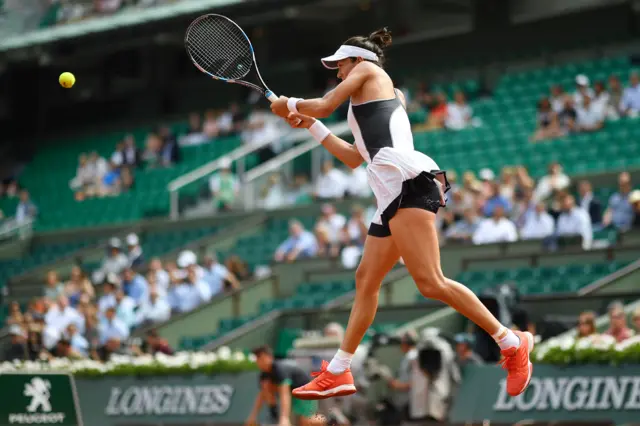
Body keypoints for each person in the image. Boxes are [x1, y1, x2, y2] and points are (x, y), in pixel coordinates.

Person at [269, 27, 533, 400]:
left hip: (409, 185)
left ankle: (511, 342)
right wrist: (310, 124)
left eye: (339, 65)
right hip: (390, 192)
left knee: (431, 283)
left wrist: (292, 105)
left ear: (355, 60)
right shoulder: (372, 94)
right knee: (366, 279)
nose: (338, 72)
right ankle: (340, 370)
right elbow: (351, 157)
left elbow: (325, 103)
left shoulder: (369, 71)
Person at [247, 345, 321, 426]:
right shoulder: (264, 375)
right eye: (257, 359)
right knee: (266, 386)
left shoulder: (279, 369)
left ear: (269, 357)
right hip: (292, 395)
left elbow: (284, 394)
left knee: (306, 422)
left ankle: (329, 421)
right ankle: (274, 417)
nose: (258, 361)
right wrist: (253, 416)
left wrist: (284, 419)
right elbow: (261, 396)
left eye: (260, 358)